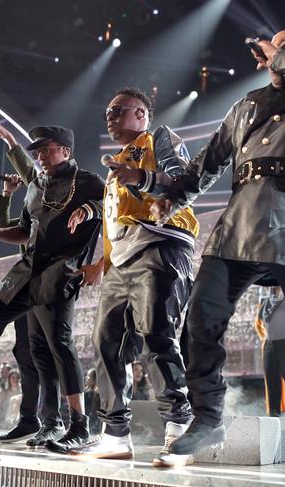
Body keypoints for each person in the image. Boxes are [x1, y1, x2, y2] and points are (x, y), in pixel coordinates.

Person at [150, 30, 285, 476]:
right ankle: (208, 416)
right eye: (272, 47)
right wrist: (169, 196)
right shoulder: (245, 106)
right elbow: (206, 163)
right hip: (241, 226)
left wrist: (283, 55)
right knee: (200, 318)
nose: (274, 52)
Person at [65, 87, 196, 464]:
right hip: (121, 262)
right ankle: (115, 435)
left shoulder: (160, 139)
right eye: (107, 110)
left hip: (161, 246)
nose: (109, 115)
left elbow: (185, 183)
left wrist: (141, 176)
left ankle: (179, 430)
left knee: (156, 333)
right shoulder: (115, 168)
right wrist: (97, 258)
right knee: (105, 342)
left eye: (118, 109)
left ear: (141, 114)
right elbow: (116, 222)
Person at [0, 125, 104, 453]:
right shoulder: (36, 185)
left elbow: (114, 211)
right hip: (26, 271)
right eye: (36, 151)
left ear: (65, 151)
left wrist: (91, 219)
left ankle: (78, 426)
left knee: (58, 346)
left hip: (61, 271)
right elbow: (24, 232)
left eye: (47, 149)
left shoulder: (88, 182)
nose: (39, 156)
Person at [0, 124, 66, 446]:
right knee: (24, 352)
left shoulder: (56, 189)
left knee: (48, 354)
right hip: (24, 282)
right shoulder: (31, 198)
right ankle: (31, 419)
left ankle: (56, 420)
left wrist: (9, 140)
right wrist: (6, 196)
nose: (39, 160)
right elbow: (8, 231)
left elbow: (28, 168)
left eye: (44, 152)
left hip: (48, 281)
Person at [254, 287, 285, 418]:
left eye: (276, 283)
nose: (274, 287)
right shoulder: (264, 301)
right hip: (270, 347)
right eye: (271, 284)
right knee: (272, 384)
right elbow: (258, 324)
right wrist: (263, 336)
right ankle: (273, 418)